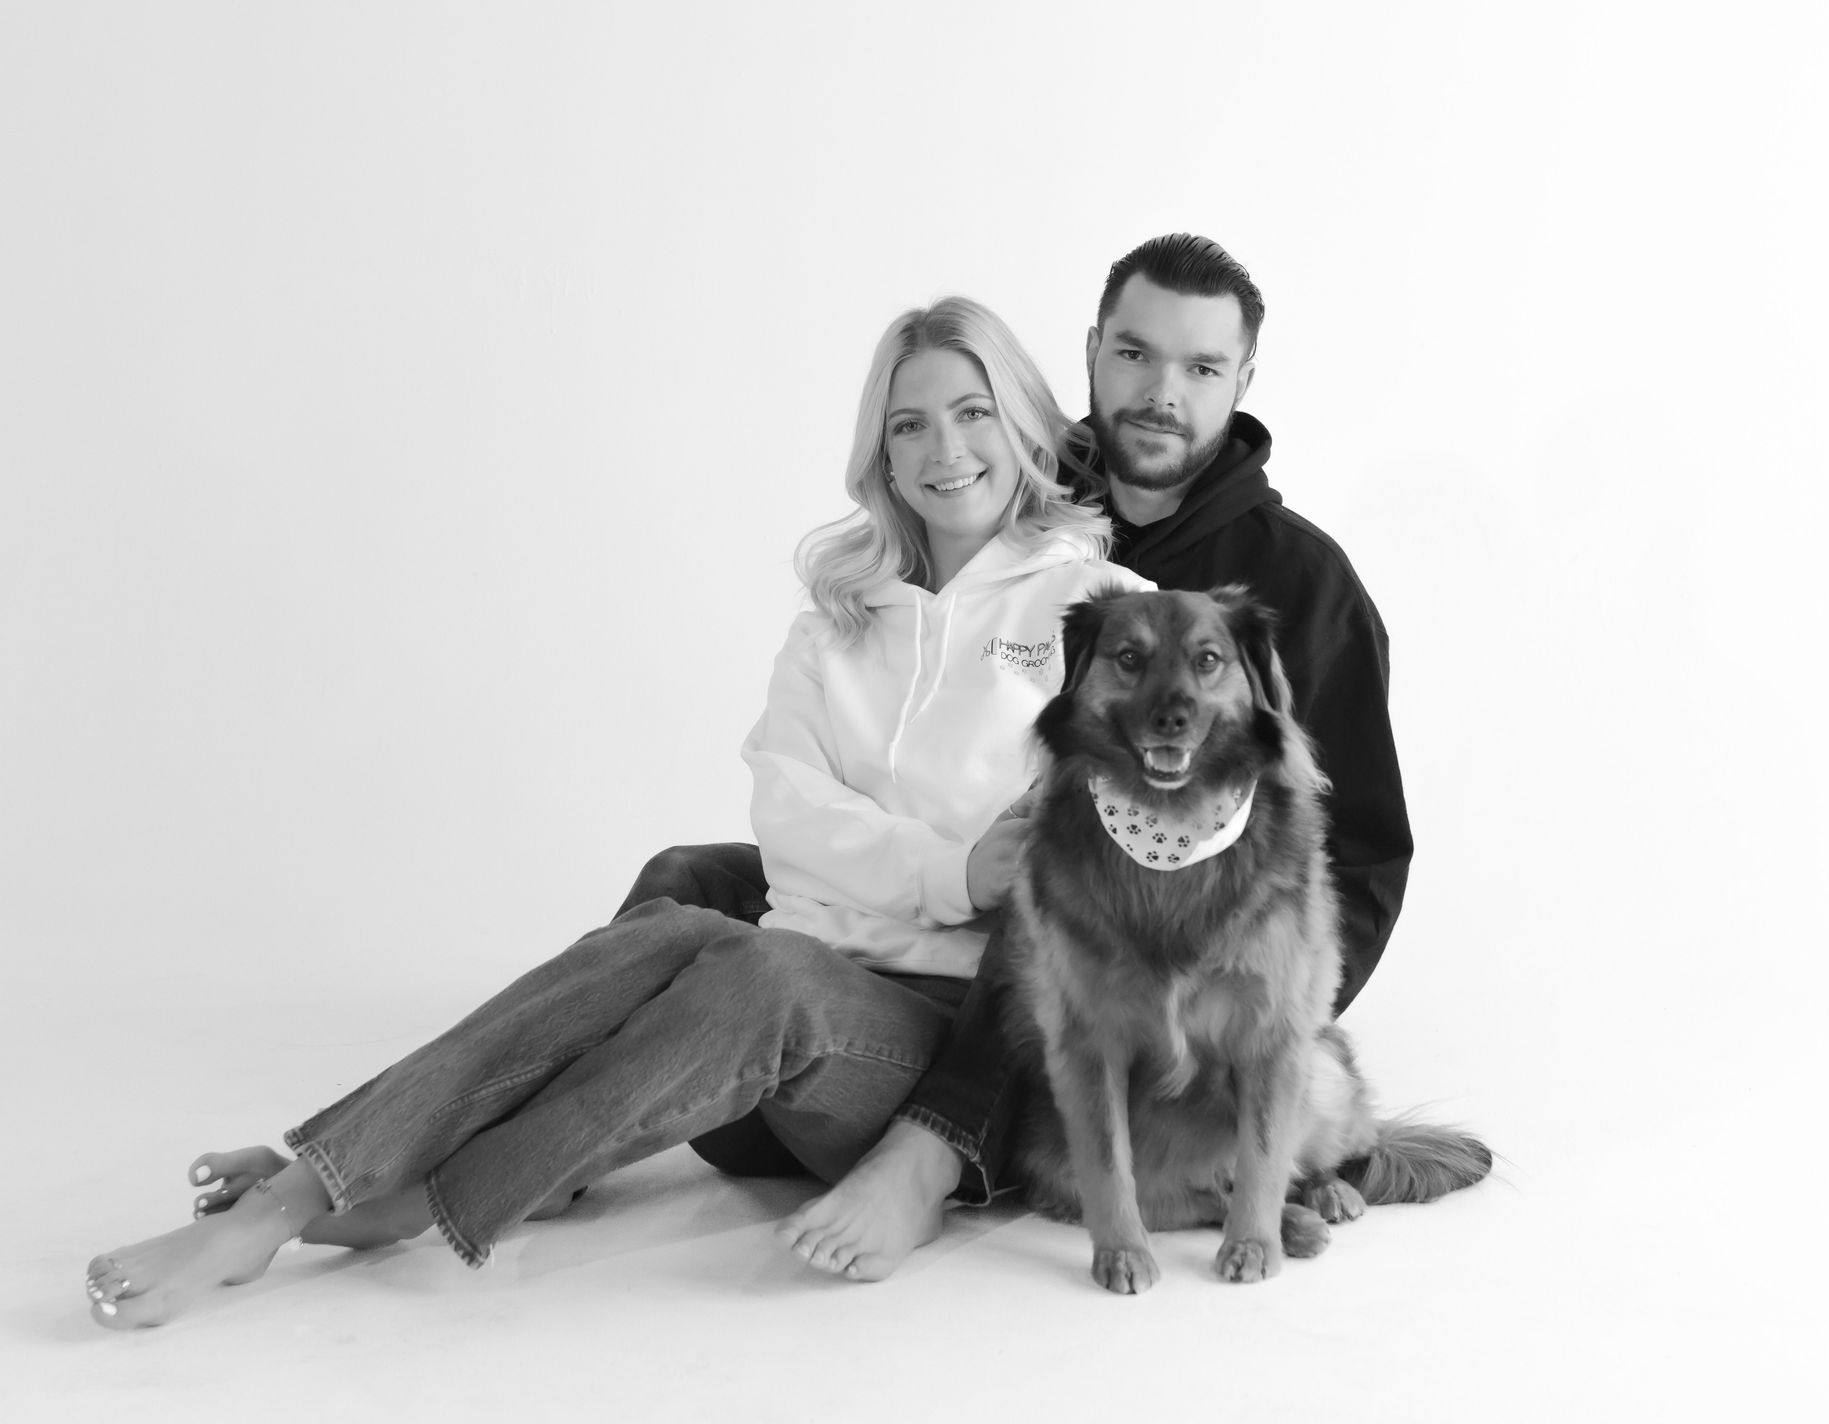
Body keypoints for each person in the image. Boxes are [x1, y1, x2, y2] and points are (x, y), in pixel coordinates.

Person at [82, 296, 1147, 1328]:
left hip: (935, 1045)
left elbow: (1051, 894)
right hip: (788, 988)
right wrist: (953, 875)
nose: (944, 448)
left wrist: (887, 884)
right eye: (909, 422)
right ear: (879, 450)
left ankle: (417, 1192)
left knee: (754, 962)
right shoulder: (834, 622)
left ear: (1020, 423)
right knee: (693, 925)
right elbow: (789, 813)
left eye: (973, 412)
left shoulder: (1102, 615)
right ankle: (306, 1193)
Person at [629, 235, 1414, 1282]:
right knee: (694, 879)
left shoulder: (1298, 582)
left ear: (1243, 382)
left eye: (1201, 368)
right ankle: (573, 1100)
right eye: (1135, 354)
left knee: (1045, 876)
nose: (1161, 392)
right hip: (969, 858)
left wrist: (1243, 1036)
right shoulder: (1017, 475)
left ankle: (929, 1143)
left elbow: (1356, 851)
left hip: (1162, 939)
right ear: (1090, 351)